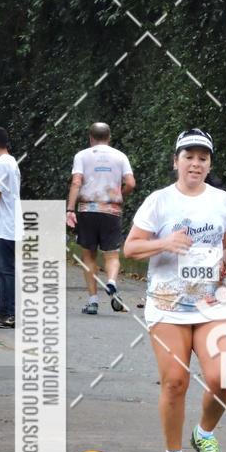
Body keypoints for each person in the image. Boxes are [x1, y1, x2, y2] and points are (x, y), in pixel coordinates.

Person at [124, 129, 226, 452]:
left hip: (212, 303)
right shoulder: (159, 201)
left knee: (222, 376)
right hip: (167, 304)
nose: (195, 163)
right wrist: (163, 243)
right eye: (188, 157)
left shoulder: (222, 201)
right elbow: (130, 248)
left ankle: (204, 434)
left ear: (209, 163)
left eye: (202, 158)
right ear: (176, 161)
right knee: (175, 381)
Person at [66, 122, 135, 314]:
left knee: (88, 255)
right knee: (112, 254)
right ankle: (111, 281)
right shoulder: (120, 156)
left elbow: (76, 182)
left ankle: (93, 301)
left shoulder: (82, 156)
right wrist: (119, 194)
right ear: (109, 137)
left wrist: (70, 209)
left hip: (87, 210)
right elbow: (131, 182)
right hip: (111, 211)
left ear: (90, 138)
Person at [0, 127, 22, 329]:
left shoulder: (1, 164)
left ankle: (8, 313)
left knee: (5, 270)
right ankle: (4, 310)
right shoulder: (11, 161)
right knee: (4, 270)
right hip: (11, 222)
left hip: (4, 225)